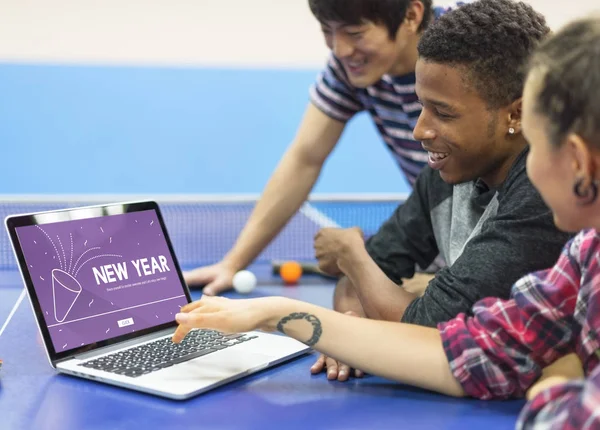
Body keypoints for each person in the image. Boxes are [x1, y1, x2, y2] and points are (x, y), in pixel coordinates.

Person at [173, 15, 600, 428]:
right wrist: (278, 313)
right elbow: (482, 352)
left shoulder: (539, 207)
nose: (418, 130)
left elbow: (558, 409)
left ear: (576, 159)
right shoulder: (583, 257)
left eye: (539, 144)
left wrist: (556, 380)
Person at [310, 0, 572, 380]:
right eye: (421, 106)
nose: (419, 130)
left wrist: (351, 254)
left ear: (515, 114)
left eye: (443, 113)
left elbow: (426, 329)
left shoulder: (542, 197)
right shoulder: (446, 171)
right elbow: (370, 277)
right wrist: (352, 332)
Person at [184, 0, 466, 296]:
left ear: (411, 15)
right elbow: (305, 158)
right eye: (327, 31)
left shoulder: (474, 47)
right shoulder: (352, 68)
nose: (340, 49)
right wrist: (232, 263)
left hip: (494, 258)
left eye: (355, 33)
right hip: (442, 246)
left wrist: (457, 282)